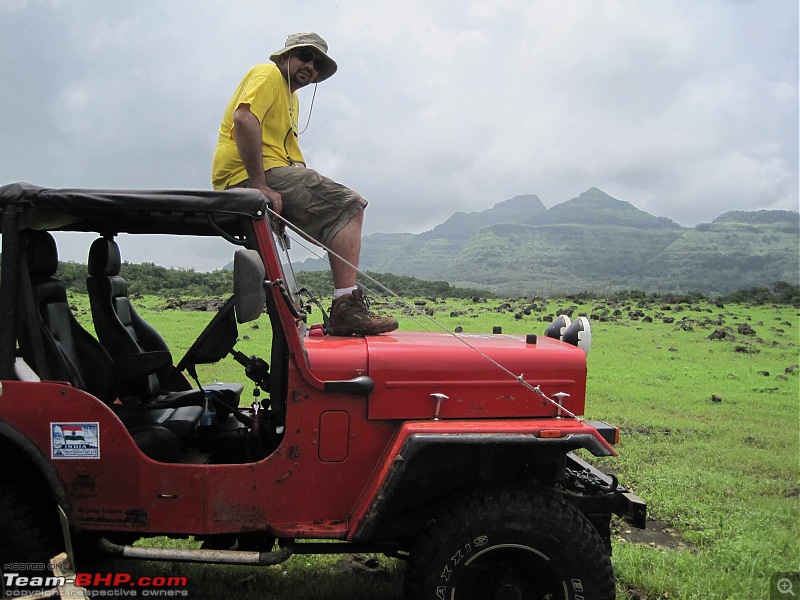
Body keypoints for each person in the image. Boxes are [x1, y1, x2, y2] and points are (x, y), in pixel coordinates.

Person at [212, 32, 398, 337]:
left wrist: (292, 213)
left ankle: (345, 300)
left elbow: (292, 161)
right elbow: (244, 120)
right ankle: (346, 307)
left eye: (318, 63)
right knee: (348, 205)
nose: (310, 66)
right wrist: (260, 186)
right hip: (247, 174)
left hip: (271, 173)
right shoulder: (267, 73)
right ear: (284, 57)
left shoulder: (292, 100)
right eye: (304, 56)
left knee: (333, 216)